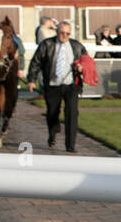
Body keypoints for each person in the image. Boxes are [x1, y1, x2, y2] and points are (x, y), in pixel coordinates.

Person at [26, 19, 87, 152]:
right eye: (62, 33)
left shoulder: (77, 46)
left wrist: (82, 68)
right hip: (53, 85)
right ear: (57, 32)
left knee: (72, 113)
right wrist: (31, 79)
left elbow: (87, 61)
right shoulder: (47, 44)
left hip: (71, 85)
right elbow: (36, 63)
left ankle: (70, 145)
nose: (64, 36)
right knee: (52, 113)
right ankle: (52, 133)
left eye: (67, 33)